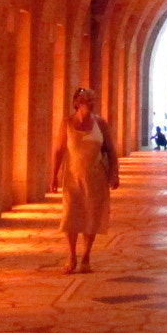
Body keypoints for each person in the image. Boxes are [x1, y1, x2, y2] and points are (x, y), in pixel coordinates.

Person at [50, 87, 117, 274]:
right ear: (78, 104)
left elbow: (110, 150)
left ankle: (86, 255)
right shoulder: (67, 124)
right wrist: (53, 175)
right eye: (88, 101)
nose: (92, 104)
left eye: (94, 100)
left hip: (96, 176)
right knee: (71, 214)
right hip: (72, 176)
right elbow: (58, 150)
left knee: (91, 215)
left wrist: (114, 173)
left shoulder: (101, 124)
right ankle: (72, 255)